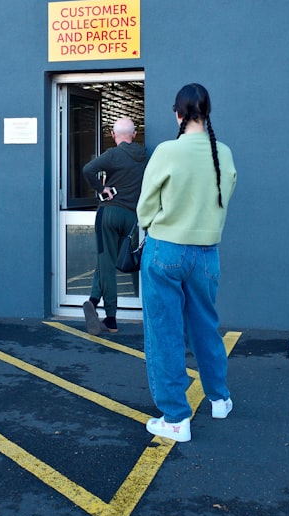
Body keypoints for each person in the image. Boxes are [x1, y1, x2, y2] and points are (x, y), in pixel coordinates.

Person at [136, 83, 237, 442]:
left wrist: (151, 224)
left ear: (178, 114)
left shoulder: (167, 151)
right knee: (206, 326)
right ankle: (219, 398)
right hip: (207, 252)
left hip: (166, 249)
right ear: (207, 113)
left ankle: (176, 418)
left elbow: (146, 205)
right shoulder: (222, 153)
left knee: (165, 333)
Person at [81, 117, 148, 335]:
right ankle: (92, 300)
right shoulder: (143, 156)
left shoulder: (113, 154)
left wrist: (101, 189)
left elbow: (87, 169)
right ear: (135, 134)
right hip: (131, 217)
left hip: (108, 213)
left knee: (106, 262)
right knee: (115, 261)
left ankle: (111, 318)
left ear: (112, 134)